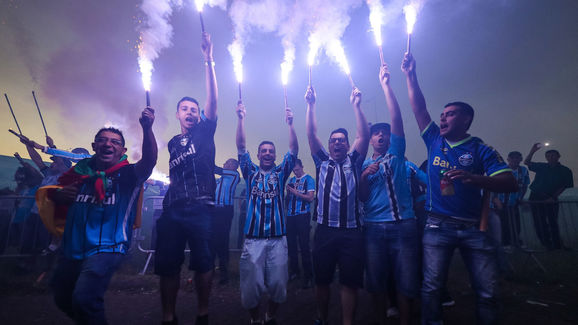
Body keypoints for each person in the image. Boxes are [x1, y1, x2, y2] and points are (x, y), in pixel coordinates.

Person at [401, 52, 517, 325]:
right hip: (436, 227)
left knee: (487, 292)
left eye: (450, 114)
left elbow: (510, 182)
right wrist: (410, 75)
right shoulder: (433, 140)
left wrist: (474, 178)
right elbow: (419, 108)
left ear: (466, 120)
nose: (442, 119)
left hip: (473, 229)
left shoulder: (481, 149)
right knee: (431, 288)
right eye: (442, 115)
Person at [46, 106, 157, 325]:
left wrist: (147, 127)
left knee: (85, 298)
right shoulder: (78, 173)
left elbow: (150, 161)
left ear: (122, 149)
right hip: (73, 246)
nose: (108, 144)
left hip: (108, 247)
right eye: (103, 140)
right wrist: (60, 196)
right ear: (94, 146)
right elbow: (54, 196)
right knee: (62, 296)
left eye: (115, 142)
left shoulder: (128, 174)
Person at [154, 31, 217, 325]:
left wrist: (208, 60)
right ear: (178, 114)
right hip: (173, 209)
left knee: (203, 263)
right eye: (186, 109)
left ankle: (202, 314)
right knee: (167, 266)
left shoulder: (205, 132)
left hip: (201, 207)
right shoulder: (171, 144)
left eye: (195, 110)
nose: (191, 113)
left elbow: (213, 103)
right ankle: (169, 316)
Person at [358, 64, 418, 325]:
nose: (381, 135)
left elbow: (397, 119)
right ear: (370, 139)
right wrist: (363, 177)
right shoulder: (361, 164)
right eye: (375, 133)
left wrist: (386, 86)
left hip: (403, 225)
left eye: (384, 132)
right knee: (376, 282)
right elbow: (361, 197)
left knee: (406, 282)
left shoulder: (396, 153)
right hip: (373, 228)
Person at [305, 85, 370, 325]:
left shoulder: (354, 161)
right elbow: (311, 135)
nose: (338, 144)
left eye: (342, 140)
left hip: (351, 232)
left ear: (347, 144)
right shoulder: (322, 162)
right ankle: (321, 318)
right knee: (322, 281)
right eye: (333, 141)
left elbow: (363, 136)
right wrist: (310, 106)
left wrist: (356, 106)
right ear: (329, 145)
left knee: (349, 282)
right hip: (324, 231)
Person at [236, 100, 298, 325]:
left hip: (278, 240)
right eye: (263, 151)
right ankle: (255, 320)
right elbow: (242, 148)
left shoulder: (281, 173)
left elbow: (293, 151)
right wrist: (241, 119)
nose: (267, 154)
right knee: (251, 290)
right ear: (259, 154)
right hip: (253, 241)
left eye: (271, 151)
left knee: (279, 287)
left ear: (275, 155)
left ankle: (270, 316)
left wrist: (291, 125)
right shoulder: (250, 172)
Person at [524, 144, 573, 250]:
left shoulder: (565, 170)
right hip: (536, 196)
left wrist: (553, 197)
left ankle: (557, 244)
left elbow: (564, 185)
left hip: (551, 196)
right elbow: (527, 162)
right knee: (539, 222)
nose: (551, 157)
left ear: (558, 156)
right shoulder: (542, 166)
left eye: (553, 155)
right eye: (548, 156)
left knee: (552, 222)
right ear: (546, 157)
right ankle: (547, 244)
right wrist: (532, 151)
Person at [285, 158, 315, 288]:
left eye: (297, 169)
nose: (295, 172)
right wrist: (288, 193)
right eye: (293, 170)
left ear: (301, 167)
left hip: (303, 216)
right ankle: (294, 271)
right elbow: (288, 198)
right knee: (291, 245)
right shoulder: (291, 180)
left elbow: (310, 198)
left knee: (304, 245)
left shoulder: (309, 179)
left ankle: (308, 275)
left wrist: (295, 192)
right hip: (290, 216)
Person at [491, 151, 530, 247]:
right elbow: (492, 185)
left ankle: (516, 242)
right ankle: (504, 244)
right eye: (512, 158)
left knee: (516, 223)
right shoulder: (501, 170)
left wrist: (520, 198)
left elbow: (525, 185)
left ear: (520, 159)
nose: (515, 160)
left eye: (517, 158)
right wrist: (495, 199)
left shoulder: (523, 170)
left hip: (514, 202)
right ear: (508, 159)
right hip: (500, 202)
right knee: (502, 224)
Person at [212, 158, 241, 284]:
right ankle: (211, 269)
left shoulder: (235, 175)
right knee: (212, 240)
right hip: (215, 210)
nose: (224, 164)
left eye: (227, 163)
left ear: (234, 166)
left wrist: (206, 160)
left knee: (223, 241)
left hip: (225, 211)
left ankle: (224, 274)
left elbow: (216, 169)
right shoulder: (221, 179)